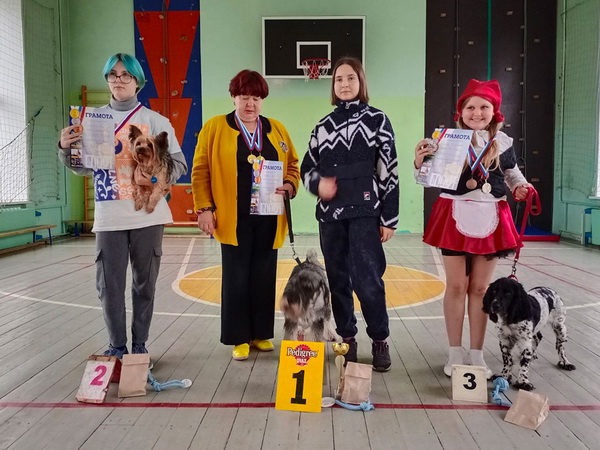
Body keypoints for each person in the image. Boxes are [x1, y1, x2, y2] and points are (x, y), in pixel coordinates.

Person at [58, 53, 188, 358]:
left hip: (147, 216)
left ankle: (140, 346)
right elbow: (80, 166)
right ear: (107, 80)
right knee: (109, 287)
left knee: (145, 285)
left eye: (125, 75)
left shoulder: (156, 121)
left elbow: (180, 165)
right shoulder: (89, 120)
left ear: (137, 81)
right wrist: (64, 147)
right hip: (109, 217)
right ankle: (116, 347)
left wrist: (154, 174)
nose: (119, 80)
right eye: (112, 75)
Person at [413, 79, 533, 378]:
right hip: (454, 215)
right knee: (456, 287)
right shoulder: (445, 140)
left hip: (490, 215)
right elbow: (425, 179)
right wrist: (419, 161)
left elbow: (511, 173)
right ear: (460, 112)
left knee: (480, 289)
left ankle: (477, 354)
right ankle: (455, 352)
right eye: (470, 107)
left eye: (483, 107)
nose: (476, 113)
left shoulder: (503, 142)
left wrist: (520, 187)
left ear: (495, 111)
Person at [191, 69, 300, 361]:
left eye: (256, 98)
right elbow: (200, 170)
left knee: (264, 277)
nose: (250, 104)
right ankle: (239, 337)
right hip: (232, 218)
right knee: (236, 278)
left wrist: (290, 184)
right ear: (233, 98)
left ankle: (260, 334)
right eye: (244, 97)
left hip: (269, 217)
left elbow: (293, 164)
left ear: (262, 100)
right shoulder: (215, 127)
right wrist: (204, 208)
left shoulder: (276, 129)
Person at [301, 57, 399, 372]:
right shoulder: (322, 126)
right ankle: (347, 338)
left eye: (351, 78)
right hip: (330, 218)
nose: (344, 84)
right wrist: (318, 184)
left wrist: (389, 217)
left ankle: (380, 339)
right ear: (333, 86)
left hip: (366, 215)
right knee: (338, 281)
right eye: (339, 79)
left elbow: (389, 170)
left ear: (361, 83)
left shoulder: (378, 120)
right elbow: (307, 168)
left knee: (368, 282)